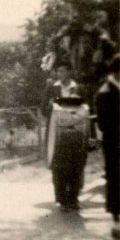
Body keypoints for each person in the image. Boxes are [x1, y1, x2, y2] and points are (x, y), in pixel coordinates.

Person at [40, 62, 85, 212]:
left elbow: (85, 109)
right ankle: (62, 200)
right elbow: (43, 110)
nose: (61, 74)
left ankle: (74, 198)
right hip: (57, 134)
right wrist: (51, 106)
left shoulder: (77, 87)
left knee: (75, 166)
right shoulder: (52, 88)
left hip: (76, 132)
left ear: (69, 72)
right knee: (59, 168)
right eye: (58, 71)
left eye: (63, 71)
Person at [95, 54, 120, 239]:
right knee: (115, 179)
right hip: (114, 143)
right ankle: (116, 220)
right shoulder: (105, 93)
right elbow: (104, 124)